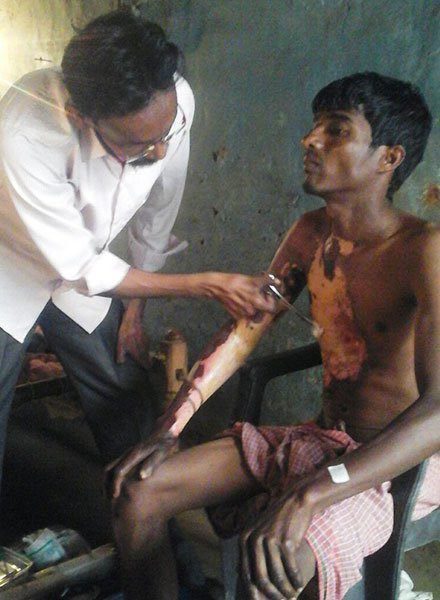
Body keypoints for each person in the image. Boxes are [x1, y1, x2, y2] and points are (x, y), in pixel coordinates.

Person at [107, 72, 440, 600]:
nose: (310, 140)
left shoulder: (424, 250)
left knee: (278, 559)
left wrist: (314, 493)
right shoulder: (311, 233)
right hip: (323, 438)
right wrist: (169, 427)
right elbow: (245, 331)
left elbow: (439, 411)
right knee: (138, 493)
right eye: (314, 128)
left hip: (399, 465)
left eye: (336, 131)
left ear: (389, 158)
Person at [0, 9, 276, 480]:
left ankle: (144, 523)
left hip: (86, 277)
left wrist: (135, 311)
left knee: (123, 394)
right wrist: (206, 284)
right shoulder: (26, 130)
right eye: (137, 146)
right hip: (10, 274)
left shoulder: (171, 102)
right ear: (80, 117)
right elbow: (81, 267)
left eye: (164, 135)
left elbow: (157, 211)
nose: (160, 152)